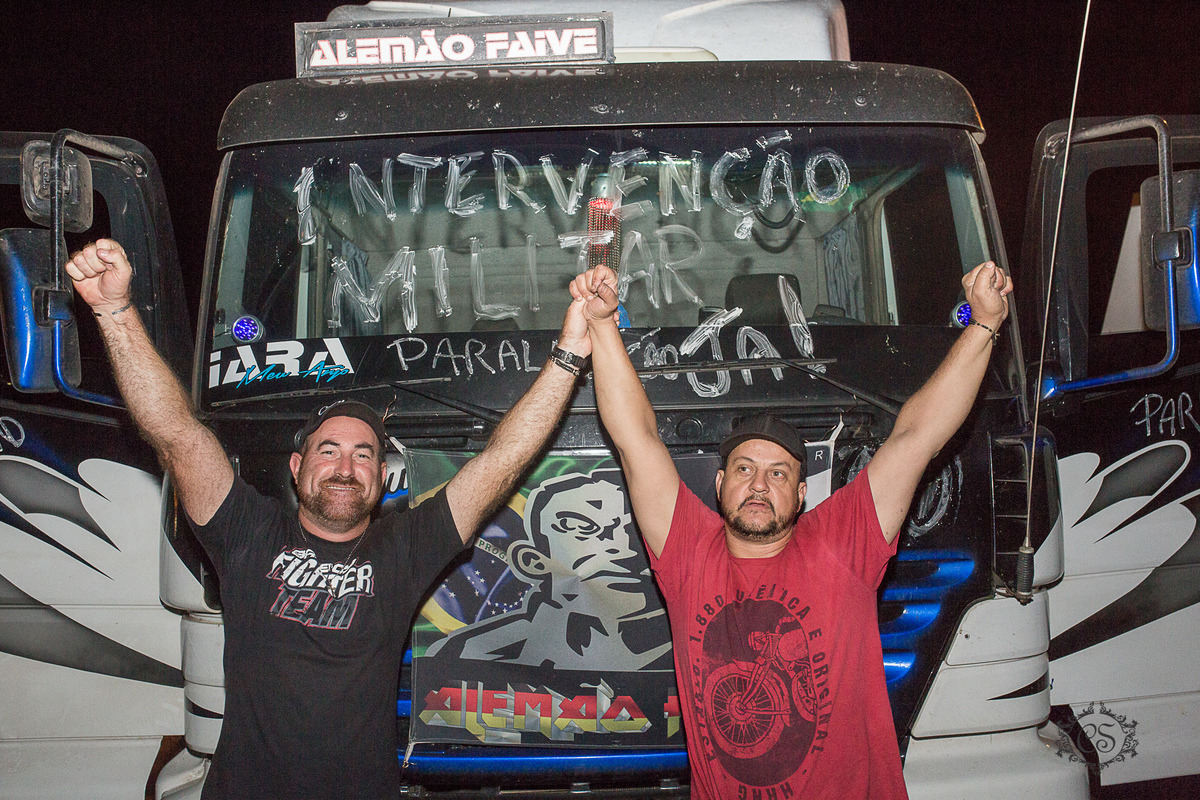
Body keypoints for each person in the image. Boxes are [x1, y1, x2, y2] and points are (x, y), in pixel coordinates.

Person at [65, 239, 596, 799]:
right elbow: (177, 435)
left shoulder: (406, 547)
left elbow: (502, 459)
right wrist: (114, 311)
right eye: (328, 451)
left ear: (381, 476)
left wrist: (569, 352)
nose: (345, 468)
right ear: (297, 468)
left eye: (363, 454)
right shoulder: (247, 531)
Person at [569, 261, 1012, 799]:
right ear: (719, 485)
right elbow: (637, 437)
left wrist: (983, 325)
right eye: (744, 469)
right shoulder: (688, 552)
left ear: (801, 494)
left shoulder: (842, 542)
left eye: (778, 473)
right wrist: (603, 324)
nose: (759, 484)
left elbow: (915, 436)